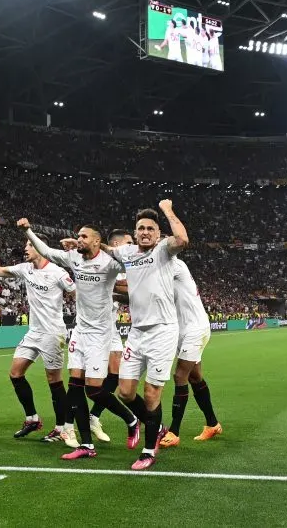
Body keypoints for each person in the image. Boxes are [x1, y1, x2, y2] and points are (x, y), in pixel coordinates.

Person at [19, 218, 139, 461]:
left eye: (84, 237)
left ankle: (132, 419)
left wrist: (111, 249)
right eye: (79, 236)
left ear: (96, 241)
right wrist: (28, 231)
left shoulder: (109, 263)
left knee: (94, 389)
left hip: (100, 333)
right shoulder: (74, 258)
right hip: (80, 331)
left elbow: (133, 264)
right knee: (75, 387)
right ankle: (86, 444)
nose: (79, 239)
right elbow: (46, 251)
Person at [0, 237, 73, 442]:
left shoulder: (58, 272)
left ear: (40, 248)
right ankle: (32, 419)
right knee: (15, 373)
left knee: (54, 381)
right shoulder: (25, 268)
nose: (25, 248)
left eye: (29, 245)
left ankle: (61, 427)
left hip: (53, 333)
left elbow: (77, 293)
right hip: (33, 332)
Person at [107, 201, 188, 470]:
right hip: (137, 333)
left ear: (157, 233)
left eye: (150, 228)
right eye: (140, 228)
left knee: (152, 393)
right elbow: (106, 250)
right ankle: (157, 426)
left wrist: (167, 211)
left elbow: (182, 239)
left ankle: (149, 449)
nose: (144, 232)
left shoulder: (164, 250)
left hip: (163, 331)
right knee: (125, 392)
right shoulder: (127, 252)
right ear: (135, 231)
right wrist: (81, 246)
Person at [160, 258, 221, 447]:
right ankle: (212, 424)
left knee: (180, 375)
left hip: (195, 328)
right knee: (195, 377)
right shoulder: (158, 267)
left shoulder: (175, 265)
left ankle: (174, 432)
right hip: (181, 329)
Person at [87, 229, 132, 444]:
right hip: (93, 327)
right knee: (82, 381)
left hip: (110, 327)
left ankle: (93, 417)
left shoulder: (121, 268)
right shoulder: (105, 263)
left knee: (115, 372)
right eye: (128, 243)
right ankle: (66, 424)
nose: (132, 246)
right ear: (115, 244)